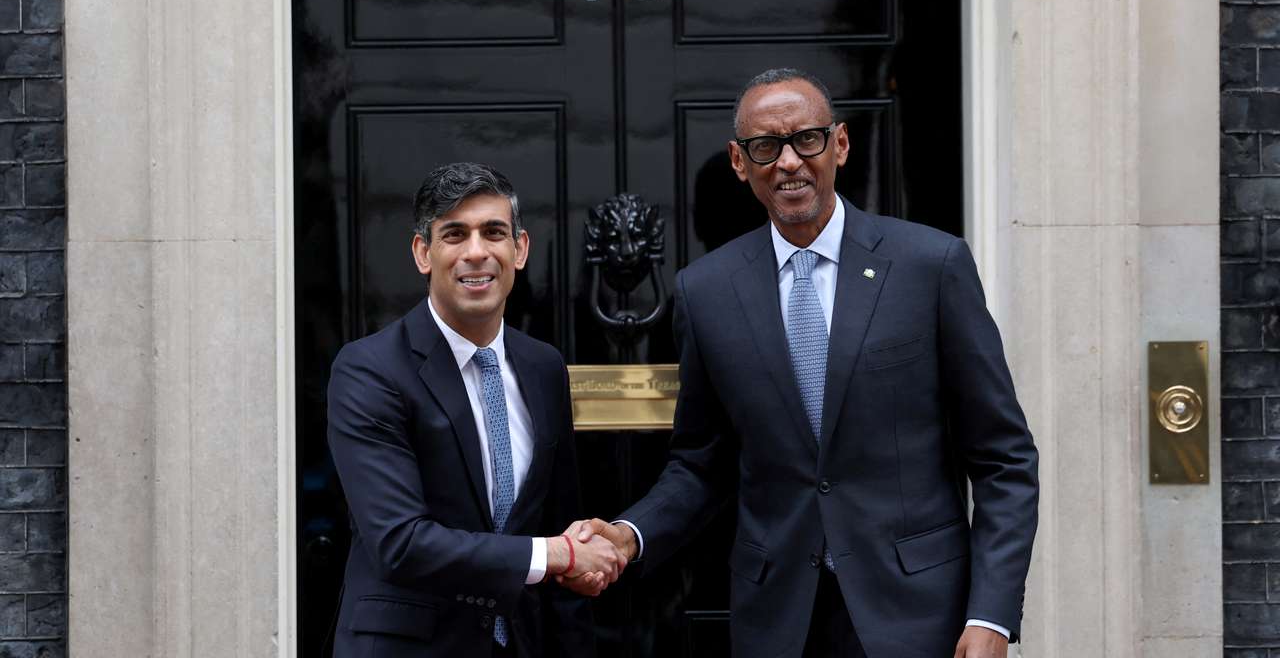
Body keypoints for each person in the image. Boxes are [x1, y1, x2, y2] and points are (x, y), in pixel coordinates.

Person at [567, 69, 1039, 658]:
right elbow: (700, 464)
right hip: (779, 622)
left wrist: (990, 616)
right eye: (766, 147)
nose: (788, 161)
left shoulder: (930, 266)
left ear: (839, 144)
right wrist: (628, 536)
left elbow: (1003, 458)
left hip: (921, 616)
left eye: (806, 140)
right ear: (741, 163)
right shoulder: (706, 292)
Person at [327, 162, 623, 658]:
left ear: (520, 249)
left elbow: (560, 518)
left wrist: (576, 565)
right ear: (423, 252)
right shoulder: (369, 370)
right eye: (454, 234)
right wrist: (556, 553)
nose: (477, 252)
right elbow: (401, 541)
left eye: (494, 232)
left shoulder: (544, 367)